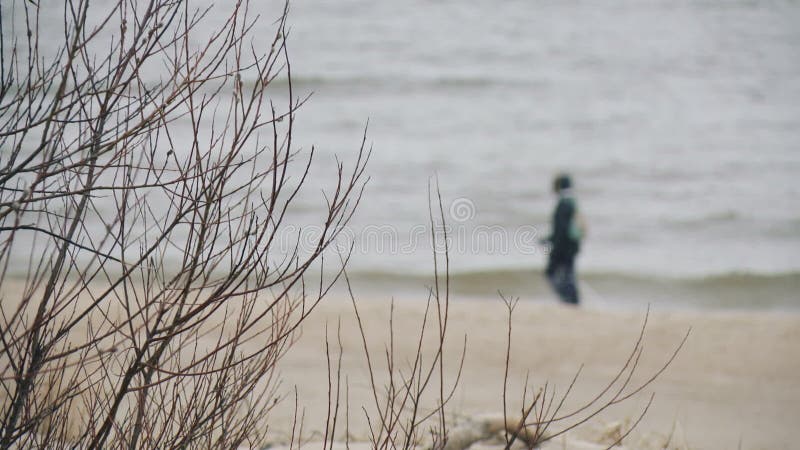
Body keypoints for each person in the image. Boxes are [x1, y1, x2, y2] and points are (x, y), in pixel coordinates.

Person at [543, 173, 584, 305]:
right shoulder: (572, 202)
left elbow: (561, 230)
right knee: (568, 275)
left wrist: (553, 245)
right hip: (572, 246)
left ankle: (569, 300)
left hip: (563, 248)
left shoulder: (563, 204)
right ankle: (572, 300)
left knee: (551, 273)